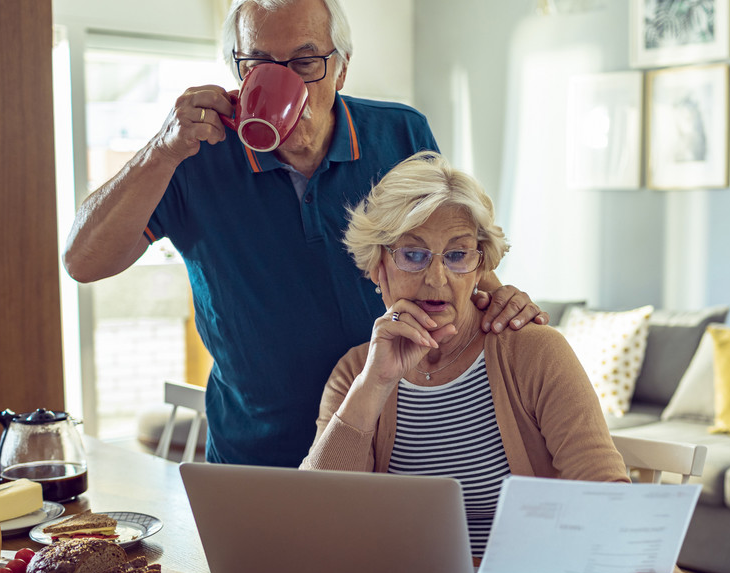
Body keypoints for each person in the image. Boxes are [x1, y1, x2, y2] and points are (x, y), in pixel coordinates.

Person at [60, 0, 546, 467]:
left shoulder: (399, 134)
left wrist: (500, 298)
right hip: (254, 457)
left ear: (342, 67)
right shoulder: (193, 154)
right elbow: (82, 262)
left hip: (391, 445)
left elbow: (446, 249)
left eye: (306, 60)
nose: (284, 79)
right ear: (237, 69)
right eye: (259, 62)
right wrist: (161, 151)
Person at [301, 152, 704, 573]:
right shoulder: (355, 373)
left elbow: (603, 494)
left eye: (456, 255)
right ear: (378, 267)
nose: (437, 278)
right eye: (413, 255)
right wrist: (374, 384)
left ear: (479, 266)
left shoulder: (532, 351)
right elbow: (317, 523)